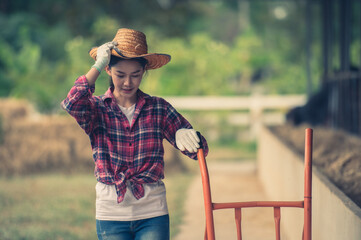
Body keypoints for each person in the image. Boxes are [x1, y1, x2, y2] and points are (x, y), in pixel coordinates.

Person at [61, 28, 208, 240]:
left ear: (144, 72)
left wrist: (188, 137)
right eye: (121, 75)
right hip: (110, 213)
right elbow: (73, 102)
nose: (128, 83)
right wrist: (98, 64)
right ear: (109, 71)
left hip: (153, 213)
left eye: (135, 75)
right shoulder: (96, 108)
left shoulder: (158, 108)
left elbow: (201, 150)